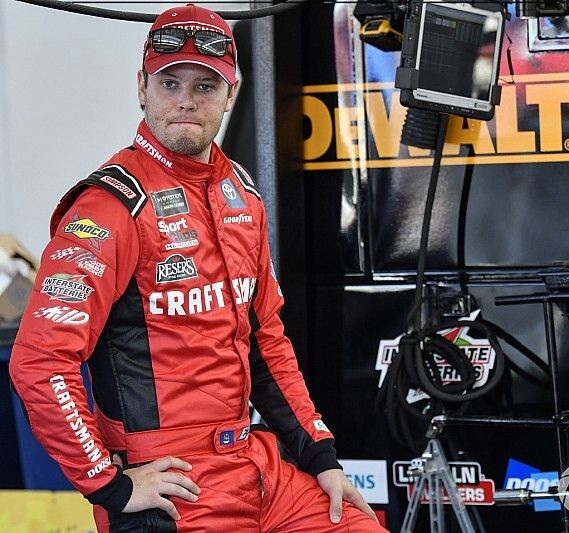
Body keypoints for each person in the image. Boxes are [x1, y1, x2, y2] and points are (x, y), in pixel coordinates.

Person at [9, 4, 386, 532]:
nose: (186, 100)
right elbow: (40, 362)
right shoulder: (109, 206)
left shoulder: (241, 195)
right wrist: (109, 484)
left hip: (257, 464)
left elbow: (266, 341)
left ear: (230, 95)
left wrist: (320, 455)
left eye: (206, 86)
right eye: (170, 83)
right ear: (142, 87)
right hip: (171, 480)